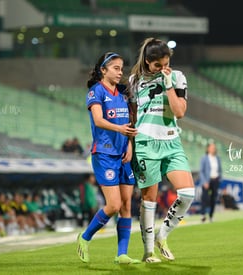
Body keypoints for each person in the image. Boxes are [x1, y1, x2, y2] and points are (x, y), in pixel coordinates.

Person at [129, 37, 195, 263]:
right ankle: (148, 253)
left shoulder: (177, 77)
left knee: (187, 193)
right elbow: (133, 116)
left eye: (166, 63)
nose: (163, 68)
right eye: (158, 65)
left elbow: (179, 113)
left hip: (172, 142)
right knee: (149, 199)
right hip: (146, 143)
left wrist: (167, 83)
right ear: (148, 62)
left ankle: (162, 235)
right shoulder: (134, 81)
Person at [76, 51, 140, 265]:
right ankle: (84, 238)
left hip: (123, 154)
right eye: (115, 68)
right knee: (113, 205)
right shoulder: (96, 92)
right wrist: (120, 130)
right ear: (103, 70)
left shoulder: (123, 93)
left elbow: (129, 124)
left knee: (126, 206)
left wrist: (129, 143)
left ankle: (121, 254)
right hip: (104, 154)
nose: (120, 72)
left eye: (121, 68)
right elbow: (99, 120)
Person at [199, 142, 222, 223]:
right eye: (212, 147)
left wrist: (219, 179)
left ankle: (211, 216)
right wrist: (204, 181)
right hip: (207, 181)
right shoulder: (204, 158)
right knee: (204, 198)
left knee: (213, 199)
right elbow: (201, 171)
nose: (213, 149)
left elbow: (220, 170)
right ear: (208, 149)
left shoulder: (217, 158)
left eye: (214, 148)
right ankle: (203, 215)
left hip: (215, 180)